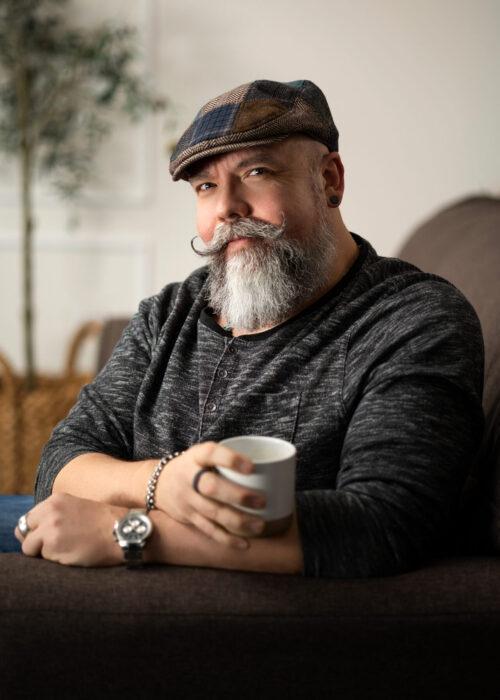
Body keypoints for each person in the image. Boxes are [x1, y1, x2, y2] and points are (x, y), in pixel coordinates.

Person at [15, 79, 484, 577]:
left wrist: (132, 532)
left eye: (256, 172)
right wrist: (161, 482)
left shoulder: (413, 320)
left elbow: (385, 522)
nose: (227, 208)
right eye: (206, 186)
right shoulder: (170, 312)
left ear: (330, 179)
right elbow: (60, 464)